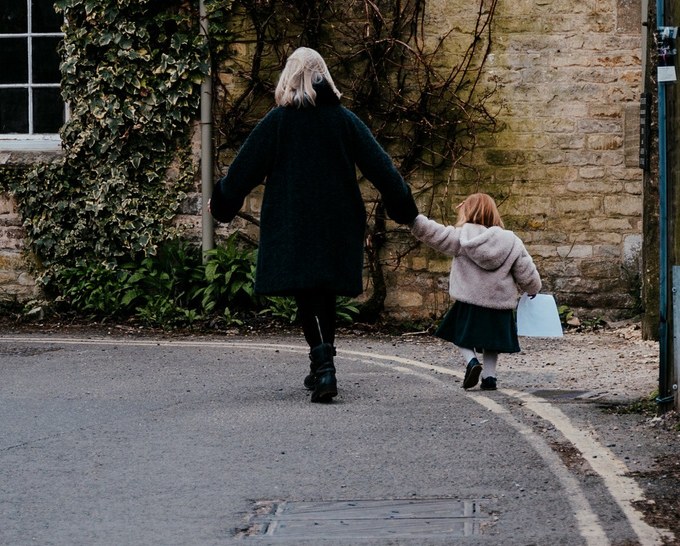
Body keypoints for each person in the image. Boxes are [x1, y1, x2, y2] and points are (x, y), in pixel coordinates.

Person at [211, 47, 418, 402]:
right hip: (337, 220)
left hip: (293, 221)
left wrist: (223, 204)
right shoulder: (344, 120)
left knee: (307, 292)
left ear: (288, 79)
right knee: (322, 290)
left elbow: (243, 169)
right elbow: (382, 167)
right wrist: (405, 208)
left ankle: (323, 367)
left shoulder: (277, 122)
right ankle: (321, 365)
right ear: (325, 77)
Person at [411, 192, 542, 390]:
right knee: (491, 342)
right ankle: (489, 378)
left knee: (458, 333)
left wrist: (412, 218)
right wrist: (533, 288)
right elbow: (526, 270)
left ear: (467, 211)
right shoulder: (511, 241)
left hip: (470, 300)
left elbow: (434, 233)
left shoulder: (461, 237)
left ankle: (472, 362)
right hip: (499, 303)